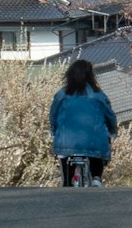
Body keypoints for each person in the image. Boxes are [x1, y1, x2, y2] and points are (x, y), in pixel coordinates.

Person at [49, 58, 118, 186]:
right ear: (91, 76)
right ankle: (96, 178)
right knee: (97, 154)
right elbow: (110, 116)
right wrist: (113, 131)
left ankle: (68, 184)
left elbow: (53, 115)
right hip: (94, 144)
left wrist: (53, 130)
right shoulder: (99, 95)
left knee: (67, 175)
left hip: (66, 145)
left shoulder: (61, 95)